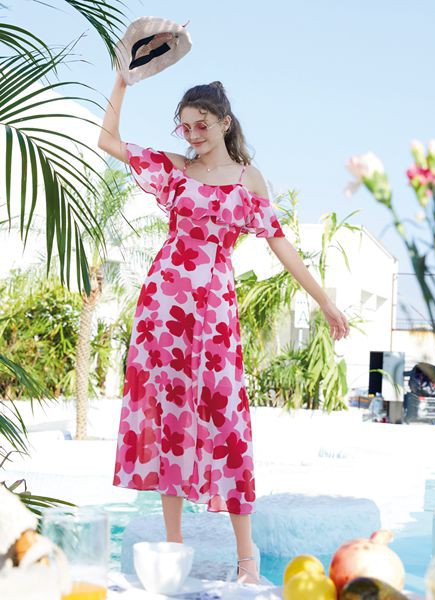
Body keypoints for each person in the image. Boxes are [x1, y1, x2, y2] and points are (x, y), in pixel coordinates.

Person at [98, 34, 350, 585]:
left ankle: (247, 559)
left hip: (213, 311)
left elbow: (281, 244)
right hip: (163, 305)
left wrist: (324, 300)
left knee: (227, 420)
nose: (192, 135)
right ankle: (173, 552)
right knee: (167, 417)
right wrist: (123, 78)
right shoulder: (175, 169)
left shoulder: (248, 180)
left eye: (201, 125)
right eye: (185, 127)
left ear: (225, 123)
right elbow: (107, 139)